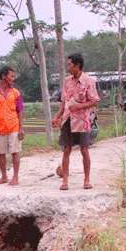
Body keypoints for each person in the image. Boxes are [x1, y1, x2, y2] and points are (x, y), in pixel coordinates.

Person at [51, 53, 100, 190]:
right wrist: (57, 116)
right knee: (66, 149)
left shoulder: (89, 81)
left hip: (82, 120)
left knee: (84, 149)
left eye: (69, 65)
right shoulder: (67, 81)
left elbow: (95, 101)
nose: (68, 67)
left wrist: (79, 106)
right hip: (67, 119)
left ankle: (87, 179)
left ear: (77, 65)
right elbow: (63, 102)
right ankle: (65, 181)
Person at [0, 66, 25, 186]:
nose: (14, 78)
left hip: (14, 126)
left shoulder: (15, 92)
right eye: (11, 76)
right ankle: (4, 177)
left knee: (15, 152)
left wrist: (21, 128)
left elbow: (20, 111)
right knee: (1, 153)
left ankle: (15, 177)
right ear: (3, 76)